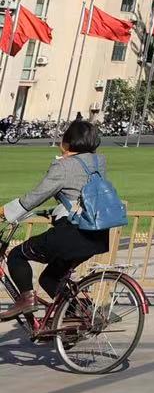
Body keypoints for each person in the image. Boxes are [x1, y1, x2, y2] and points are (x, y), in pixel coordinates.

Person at [2, 118, 113, 321]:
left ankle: (26, 300)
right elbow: (80, 196)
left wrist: (4, 212)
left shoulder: (63, 166)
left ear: (67, 142)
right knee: (49, 279)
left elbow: (34, 197)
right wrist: (54, 211)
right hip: (97, 235)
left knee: (17, 255)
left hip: (72, 233)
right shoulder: (98, 162)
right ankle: (82, 316)